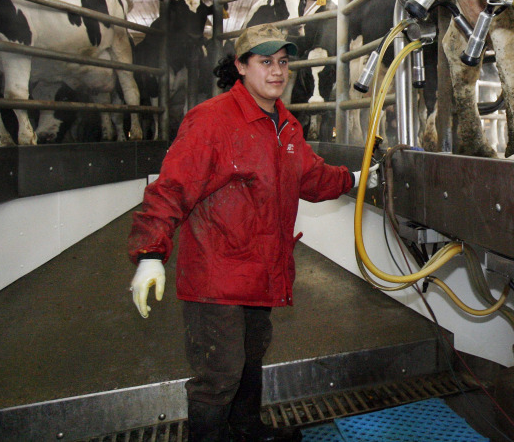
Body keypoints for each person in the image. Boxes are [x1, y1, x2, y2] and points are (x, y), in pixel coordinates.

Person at [127, 23, 378, 442]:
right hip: (216, 275)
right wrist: (151, 254)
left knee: (250, 357)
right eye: (265, 62)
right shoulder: (211, 121)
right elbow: (171, 188)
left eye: (282, 62)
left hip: (261, 273)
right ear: (241, 66)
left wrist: (356, 178)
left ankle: (245, 431)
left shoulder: (286, 126)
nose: (277, 71)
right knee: (219, 372)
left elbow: (313, 177)